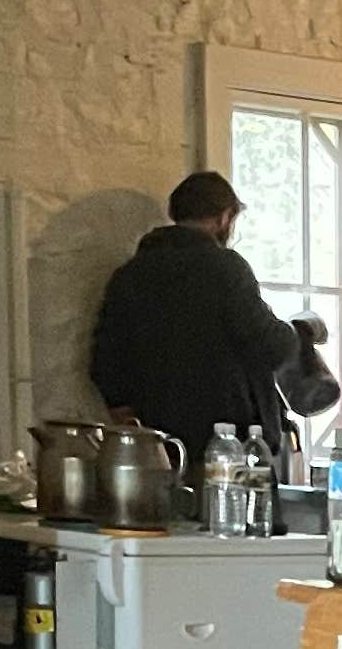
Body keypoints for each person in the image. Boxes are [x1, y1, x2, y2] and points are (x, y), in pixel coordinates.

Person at [88, 171, 304, 476]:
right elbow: (267, 344)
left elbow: (105, 358)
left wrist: (124, 411)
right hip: (225, 444)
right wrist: (293, 334)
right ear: (224, 217)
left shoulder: (131, 275)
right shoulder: (225, 269)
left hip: (157, 446)